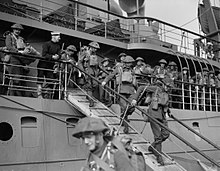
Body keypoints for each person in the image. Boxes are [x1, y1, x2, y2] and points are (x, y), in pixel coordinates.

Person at [131, 79, 170, 165]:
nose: (169, 88)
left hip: (162, 115)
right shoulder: (155, 88)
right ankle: (159, 157)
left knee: (166, 134)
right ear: (163, 85)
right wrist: (135, 99)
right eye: (167, 86)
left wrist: (168, 112)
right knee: (158, 137)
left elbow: (165, 103)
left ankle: (152, 147)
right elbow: (141, 88)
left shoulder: (166, 92)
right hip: (154, 113)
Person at [102, 55, 136, 133]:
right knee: (124, 108)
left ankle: (122, 118)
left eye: (130, 63)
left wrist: (137, 91)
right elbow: (111, 75)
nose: (129, 64)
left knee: (132, 107)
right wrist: (105, 81)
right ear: (125, 63)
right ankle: (126, 126)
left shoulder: (132, 71)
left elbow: (134, 81)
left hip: (131, 90)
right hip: (121, 90)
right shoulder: (119, 69)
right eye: (128, 63)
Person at [37, 31, 61, 98]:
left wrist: (58, 57)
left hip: (50, 66)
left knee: (50, 81)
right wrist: (53, 57)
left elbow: (59, 54)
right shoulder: (46, 44)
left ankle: (47, 95)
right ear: (54, 36)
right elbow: (44, 54)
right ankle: (39, 95)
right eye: (58, 37)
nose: (59, 38)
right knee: (40, 80)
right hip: (42, 65)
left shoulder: (58, 46)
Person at [78, 41, 101, 107]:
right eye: (94, 48)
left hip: (94, 73)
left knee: (95, 85)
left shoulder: (95, 55)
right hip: (87, 72)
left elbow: (97, 65)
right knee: (89, 86)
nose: (95, 49)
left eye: (96, 48)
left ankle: (88, 95)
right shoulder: (85, 53)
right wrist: (82, 71)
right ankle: (91, 100)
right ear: (91, 47)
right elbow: (79, 62)